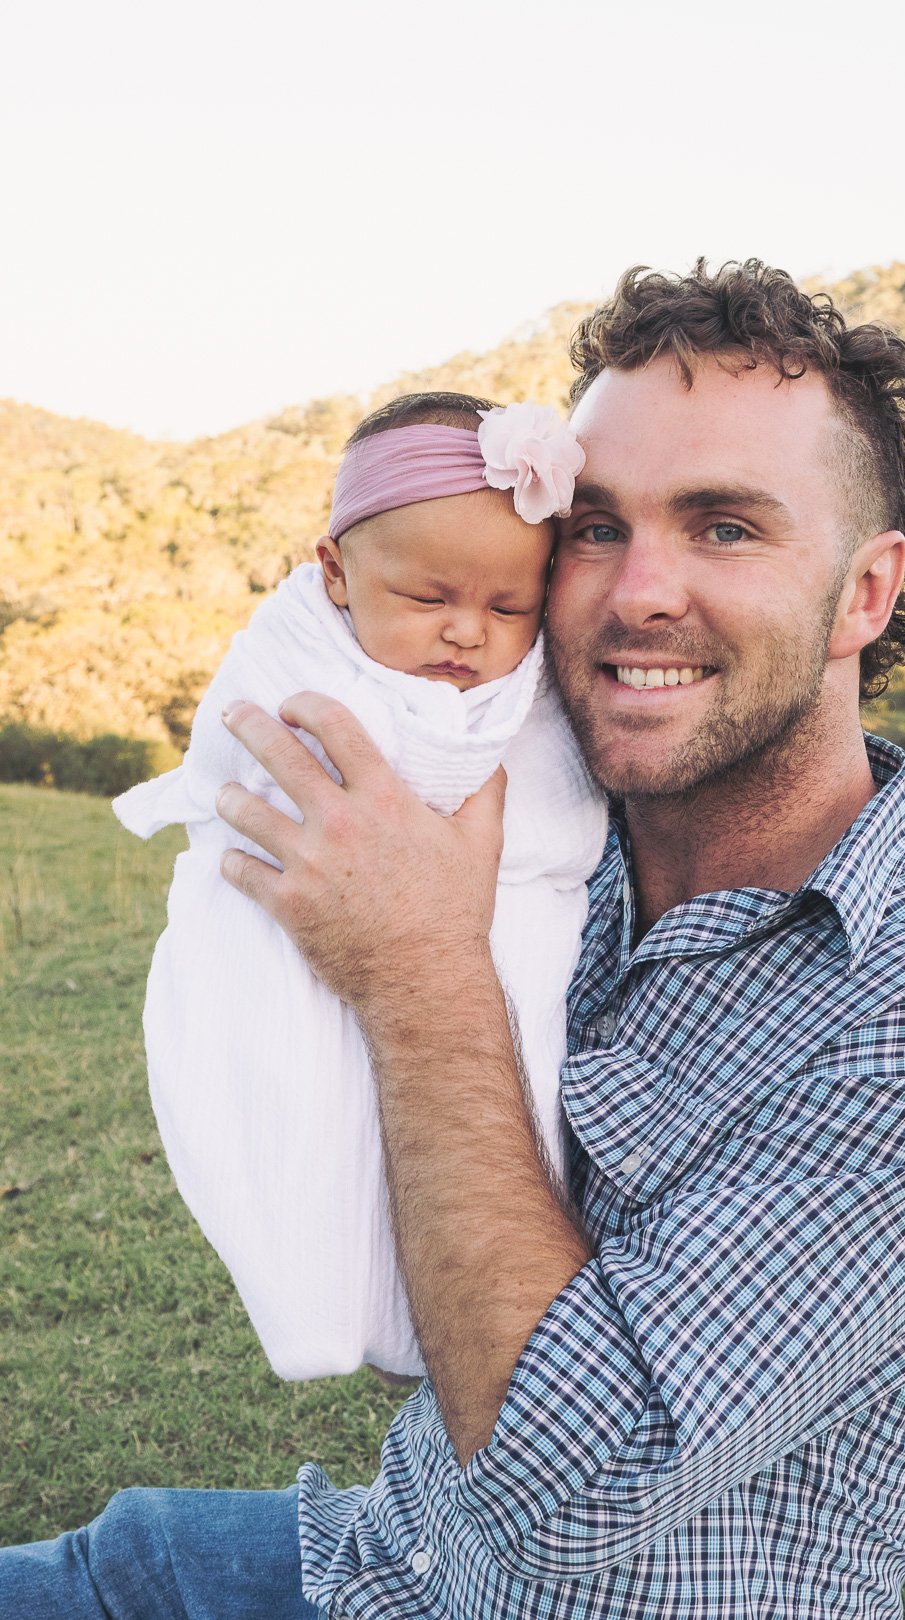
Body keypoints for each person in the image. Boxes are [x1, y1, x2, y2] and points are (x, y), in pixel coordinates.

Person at [3, 258, 905, 1619]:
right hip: (365, 1563)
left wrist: (417, 968)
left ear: (865, 595)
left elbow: (563, 1491)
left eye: (726, 527)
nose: (636, 593)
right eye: (594, 527)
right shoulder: (565, 829)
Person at [111, 392, 605, 1379]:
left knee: (510, 1106)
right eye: (430, 599)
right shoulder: (293, 650)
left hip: (510, 919)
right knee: (306, 1114)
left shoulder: (532, 682)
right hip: (295, 926)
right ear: (335, 571)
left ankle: (454, 1306)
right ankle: (326, 1301)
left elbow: (548, 790)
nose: (469, 634)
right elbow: (254, 761)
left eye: (510, 607)